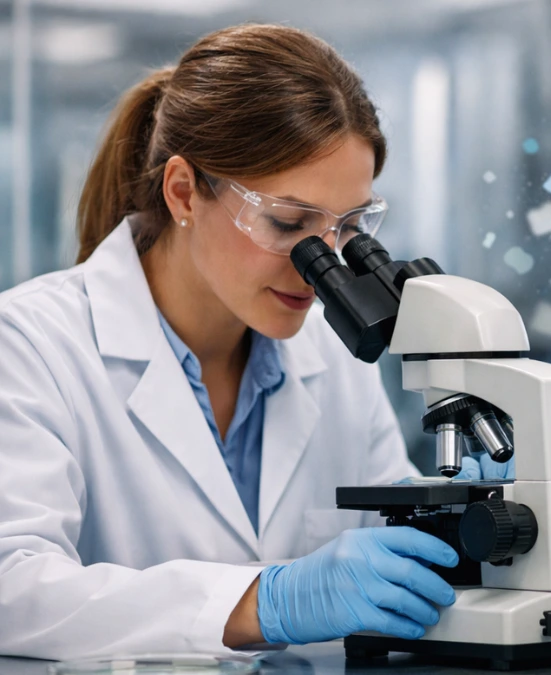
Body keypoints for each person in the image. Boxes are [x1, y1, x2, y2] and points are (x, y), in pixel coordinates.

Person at [0, 23, 506, 660]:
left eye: (348, 227)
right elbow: (12, 588)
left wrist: (467, 523)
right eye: (289, 223)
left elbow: (387, 545)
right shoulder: (29, 345)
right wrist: (266, 601)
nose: (319, 264)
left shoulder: (330, 355)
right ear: (183, 192)